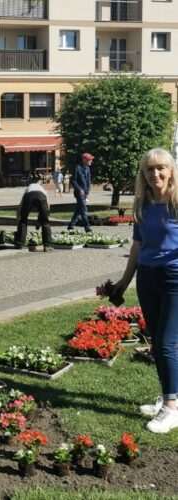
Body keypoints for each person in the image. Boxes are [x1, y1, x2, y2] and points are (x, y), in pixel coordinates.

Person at [111, 148, 178, 433]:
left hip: (175, 277)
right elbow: (137, 248)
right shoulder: (142, 204)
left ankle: (172, 409)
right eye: (149, 170)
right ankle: (168, 397)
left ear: (171, 170)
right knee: (158, 342)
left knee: (166, 343)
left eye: (161, 168)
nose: (156, 174)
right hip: (147, 278)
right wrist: (123, 284)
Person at [13, 171, 53, 251]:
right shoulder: (42, 189)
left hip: (29, 196)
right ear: (40, 181)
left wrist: (18, 218)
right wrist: (44, 217)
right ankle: (47, 245)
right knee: (45, 222)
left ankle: (20, 244)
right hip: (41, 196)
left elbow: (20, 205)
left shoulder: (28, 188)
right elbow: (48, 206)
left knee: (23, 220)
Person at [67, 153, 94, 232]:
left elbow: (88, 182)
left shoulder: (88, 169)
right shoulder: (77, 168)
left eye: (91, 159)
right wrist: (79, 189)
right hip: (79, 193)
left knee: (79, 210)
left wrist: (87, 192)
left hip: (85, 193)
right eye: (89, 159)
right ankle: (87, 228)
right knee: (83, 209)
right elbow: (73, 180)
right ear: (84, 160)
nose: (91, 161)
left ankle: (71, 226)